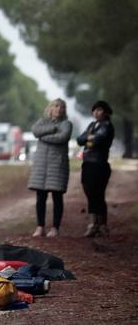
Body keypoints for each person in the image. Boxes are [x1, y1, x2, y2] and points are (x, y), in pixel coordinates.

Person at [28, 98, 73, 238]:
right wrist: (52, 129)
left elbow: (62, 138)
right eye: (56, 106)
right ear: (50, 108)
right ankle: (40, 227)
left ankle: (55, 228)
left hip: (57, 165)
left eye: (62, 107)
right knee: (40, 197)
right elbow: (35, 131)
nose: (59, 109)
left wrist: (43, 137)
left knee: (57, 197)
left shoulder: (67, 124)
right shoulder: (43, 121)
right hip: (41, 166)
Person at [78, 100, 115, 237]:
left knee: (98, 193)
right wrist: (90, 138)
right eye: (94, 110)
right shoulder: (92, 125)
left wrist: (89, 139)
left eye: (99, 110)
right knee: (89, 192)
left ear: (105, 112)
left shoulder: (107, 125)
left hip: (99, 164)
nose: (96, 112)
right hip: (87, 163)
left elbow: (99, 140)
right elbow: (79, 140)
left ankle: (100, 224)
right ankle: (95, 223)